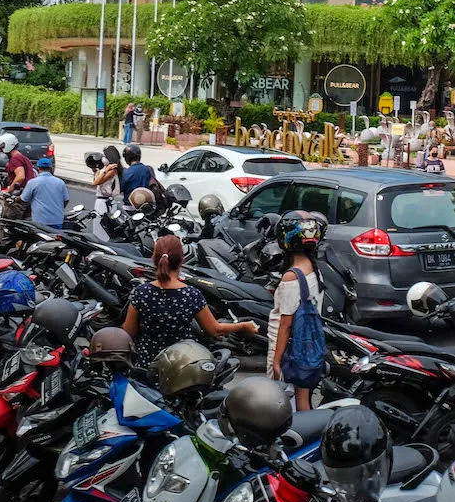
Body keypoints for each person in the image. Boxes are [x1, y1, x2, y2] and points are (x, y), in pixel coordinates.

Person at [122, 234, 258, 367]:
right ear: (181, 260)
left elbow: (128, 332)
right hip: (182, 365)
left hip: (148, 364)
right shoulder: (191, 294)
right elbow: (215, 330)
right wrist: (243, 326)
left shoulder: (141, 293)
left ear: (154, 259)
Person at [268, 210, 326, 412]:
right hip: (306, 348)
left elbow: (285, 324)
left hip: (288, 351)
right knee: (303, 399)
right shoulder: (314, 268)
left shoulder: (292, 277)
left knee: (280, 403)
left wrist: (276, 361)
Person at [20, 157, 69, 229]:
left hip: (39, 221)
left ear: (38, 168)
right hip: (56, 221)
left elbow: (24, 199)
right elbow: (66, 200)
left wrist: (15, 199)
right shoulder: (60, 182)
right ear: (51, 168)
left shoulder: (33, 182)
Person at [92, 145, 123, 240]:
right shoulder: (106, 169)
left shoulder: (112, 170)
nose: (103, 158)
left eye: (105, 156)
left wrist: (105, 171)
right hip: (102, 202)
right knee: (98, 227)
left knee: (102, 228)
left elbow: (96, 182)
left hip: (105, 203)